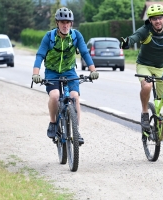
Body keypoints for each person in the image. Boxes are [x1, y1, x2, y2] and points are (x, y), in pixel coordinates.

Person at [32, 7, 99, 145]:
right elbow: (40, 55)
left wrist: (93, 70)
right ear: (57, 23)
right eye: (62, 22)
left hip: (69, 71)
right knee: (55, 95)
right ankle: (52, 122)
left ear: (71, 23)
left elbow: (85, 53)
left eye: (68, 22)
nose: (65, 25)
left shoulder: (76, 36)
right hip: (52, 72)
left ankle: (76, 131)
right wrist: (36, 74)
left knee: (75, 96)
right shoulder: (49, 37)